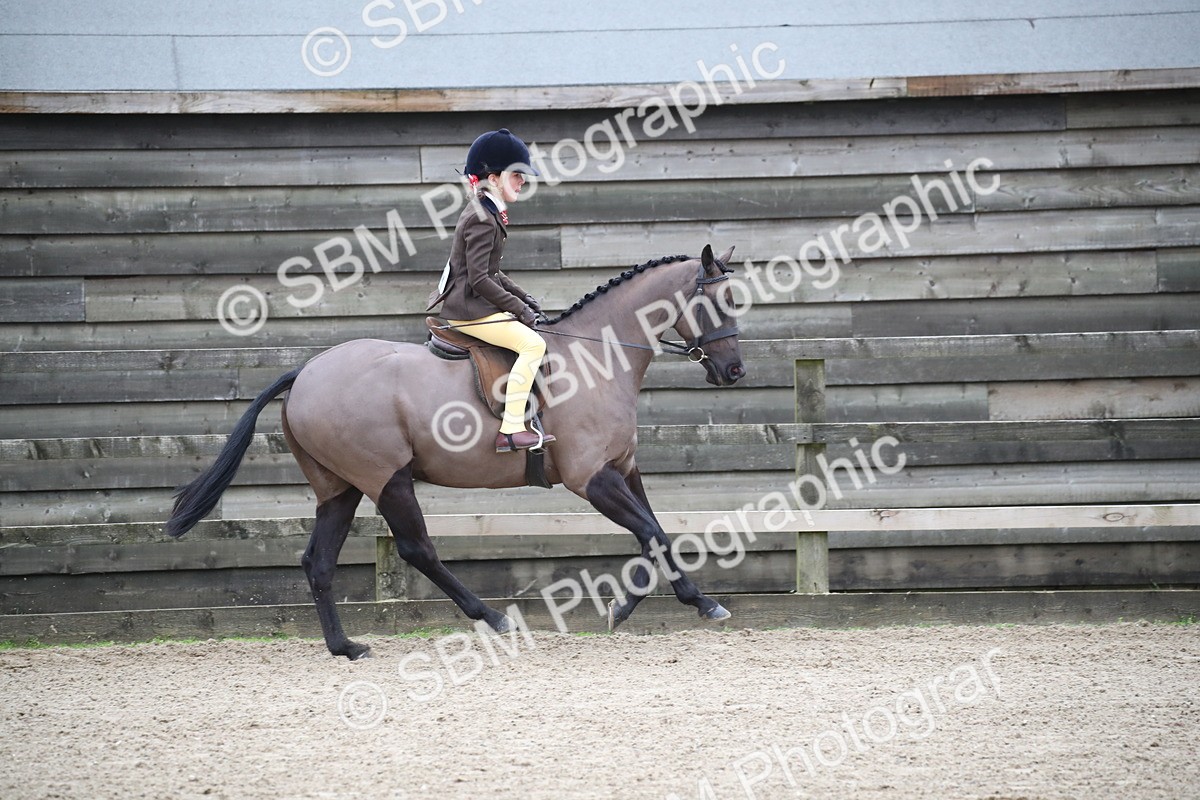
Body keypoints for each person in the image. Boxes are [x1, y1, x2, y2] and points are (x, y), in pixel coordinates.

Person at [428, 128, 556, 453]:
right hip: (468, 310)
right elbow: (479, 281)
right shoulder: (483, 218)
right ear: (494, 178)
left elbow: (492, 272)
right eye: (517, 175)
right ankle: (511, 429)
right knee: (532, 344)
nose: (522, 182)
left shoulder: (488, 212)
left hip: (471, 303)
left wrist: (524, 298)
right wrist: (521, 310)